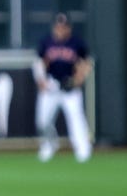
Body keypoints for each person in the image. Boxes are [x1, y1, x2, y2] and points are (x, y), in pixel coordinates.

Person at [33, 12, 92, 162]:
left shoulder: (76, 43)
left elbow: (85, 63)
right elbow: (40, 63)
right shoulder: (46, 42)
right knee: (42, 121)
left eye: (63, 26)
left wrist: (79, 79)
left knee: (76, 120)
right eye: (58, 26)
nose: (60, 29)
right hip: (52, 85)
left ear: (69, 28)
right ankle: (50, 144)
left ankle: (83, 149)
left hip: (69, 87)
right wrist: (41, 80)